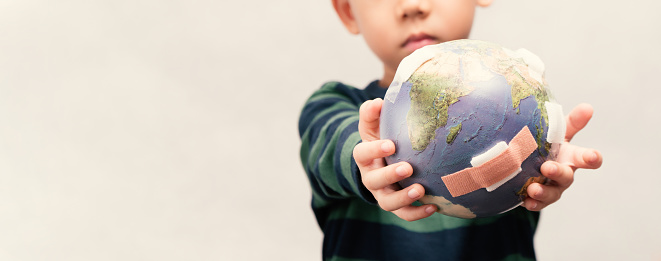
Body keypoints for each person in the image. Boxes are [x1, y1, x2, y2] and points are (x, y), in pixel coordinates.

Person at [298, 0, 603, 260]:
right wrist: (366, 161)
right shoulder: (332, 107)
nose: (414, 6)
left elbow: (533, 166)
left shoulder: (519, 108)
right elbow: (331, 144)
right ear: (348, 11)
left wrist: (543, 158)